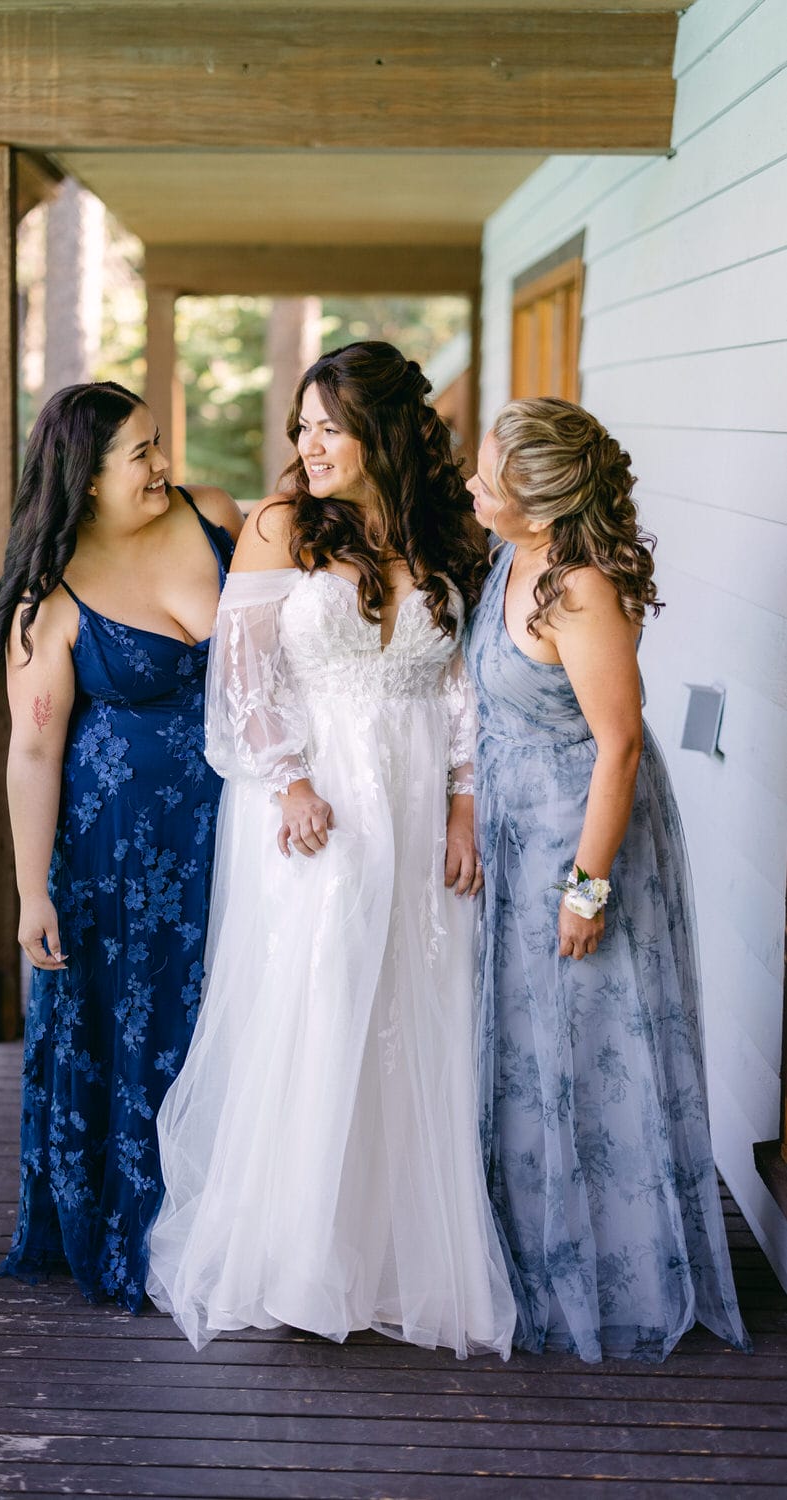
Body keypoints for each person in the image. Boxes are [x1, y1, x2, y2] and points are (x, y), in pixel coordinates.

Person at [146, 342, 516, 1355]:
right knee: (322, 992)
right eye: (299, 427)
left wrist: (461, 804)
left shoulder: (443, 533)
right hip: (314, 802)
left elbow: (456, 686)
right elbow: (241, 674)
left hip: (411, 796)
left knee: (409, 1001)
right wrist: (290, 780)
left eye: (326, 427)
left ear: (381, 432)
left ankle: (391, 1257)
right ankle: (296, 1254)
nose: (306, 445)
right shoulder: (279, 528)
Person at [463, 396, 749, 1363]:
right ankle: (525, 1257)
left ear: (534, 506)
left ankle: (608, 1277)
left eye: (486, 468)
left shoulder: (579, 589)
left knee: (584, 1050)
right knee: (522, 1056)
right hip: (507, 833)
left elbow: (618, 745)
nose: (471, 476)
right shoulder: (512, 559)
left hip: (575, 839)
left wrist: (585, 890)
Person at [0, 381, 242, 1309]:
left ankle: (234, 1227)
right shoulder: (46, 600)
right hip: (116, 857)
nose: (163, 465)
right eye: (140, 453)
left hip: (237, 832)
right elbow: (34, 749)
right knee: (134, 1021)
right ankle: (140, 1224)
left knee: (229, 1010)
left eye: (159, 443)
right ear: (84, 479)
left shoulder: (212, 518)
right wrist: (31, 894)